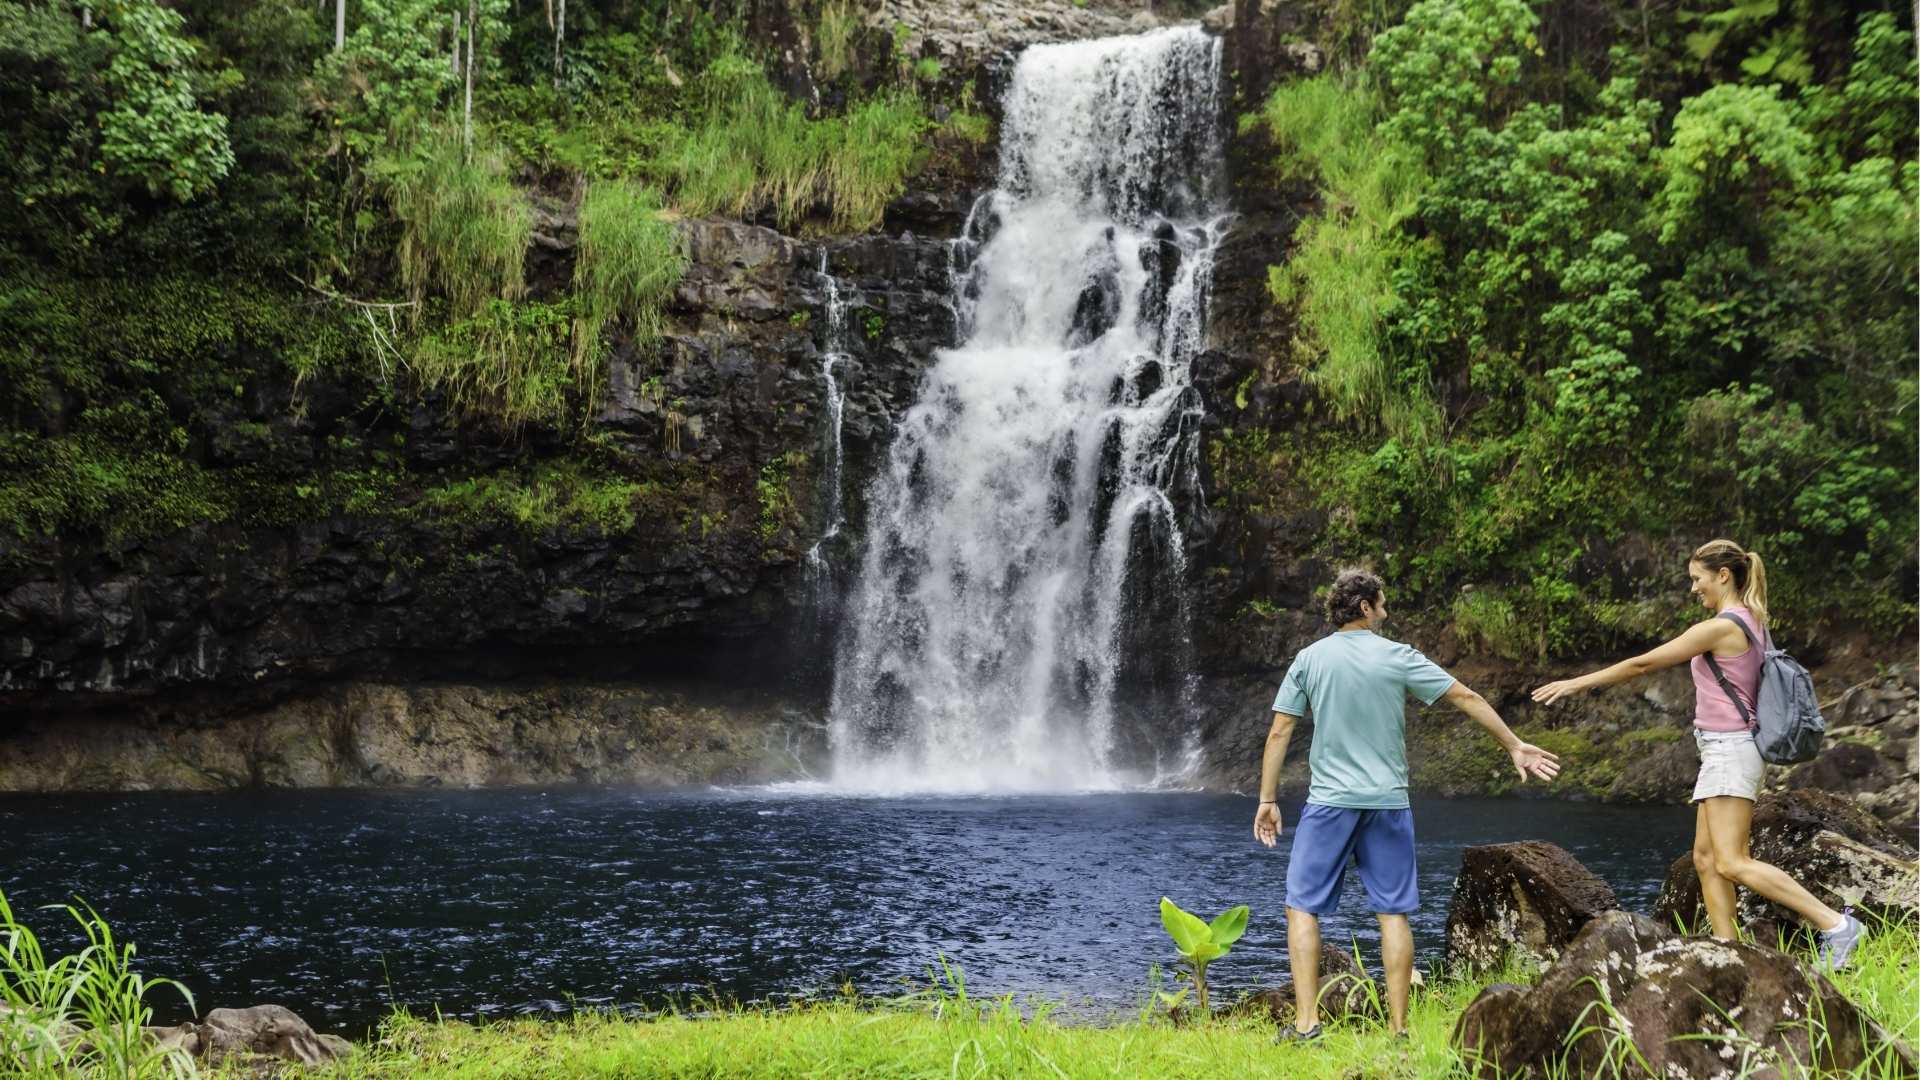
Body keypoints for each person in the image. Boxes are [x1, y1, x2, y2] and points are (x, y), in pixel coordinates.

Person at [1254, 569, 1561, 1043]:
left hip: (1330, 804)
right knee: (1392, 914)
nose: (1387, 611)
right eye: (1382, 604)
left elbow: (1279, 731)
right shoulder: (1398, 657)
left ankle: (1307, 1024)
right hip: (1388, 803)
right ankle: (1399, 1032)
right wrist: (1513, 745)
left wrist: (1268, 799)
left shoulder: (1309, 660)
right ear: (1364, 608)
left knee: (1301, 908)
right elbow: (1465, 695)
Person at [1532, 538, 1866, 968]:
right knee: (1706, 860)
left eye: (1697, 579)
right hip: (1720, 749)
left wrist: (1576, 683)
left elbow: (1643, 664)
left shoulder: (1724, 626)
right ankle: (1732, 953)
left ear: (1722, 575)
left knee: (1732, 860)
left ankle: (1836, 926)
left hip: (1731, 748)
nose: (1694, 588)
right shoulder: (1753, 619)